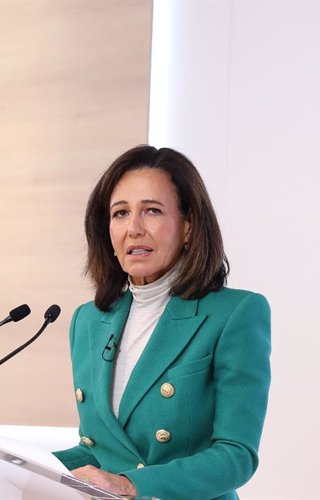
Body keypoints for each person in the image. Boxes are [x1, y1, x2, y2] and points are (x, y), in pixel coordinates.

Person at [53, 145, 271, 500]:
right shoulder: (88, 321)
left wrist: (131, 484)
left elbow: (236, 456)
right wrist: (9, 463)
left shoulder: (236, 313)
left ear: (188, 226)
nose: (134, 229)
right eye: (120, 213)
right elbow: (100, 449)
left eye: (151, 211)